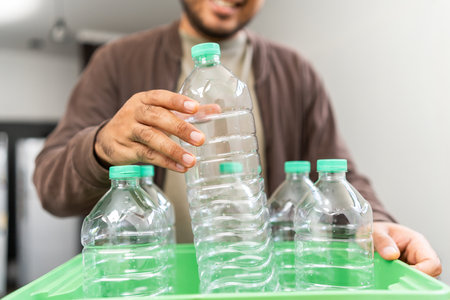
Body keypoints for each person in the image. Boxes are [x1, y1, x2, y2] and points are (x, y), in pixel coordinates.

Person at [33, 0, 441, 277]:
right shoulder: (116, 62)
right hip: (150, 284)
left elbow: (338, 171)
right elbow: (50, 184)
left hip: (258, 281)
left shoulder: (295, 71)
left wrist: (380, 224)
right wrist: (101, 146)